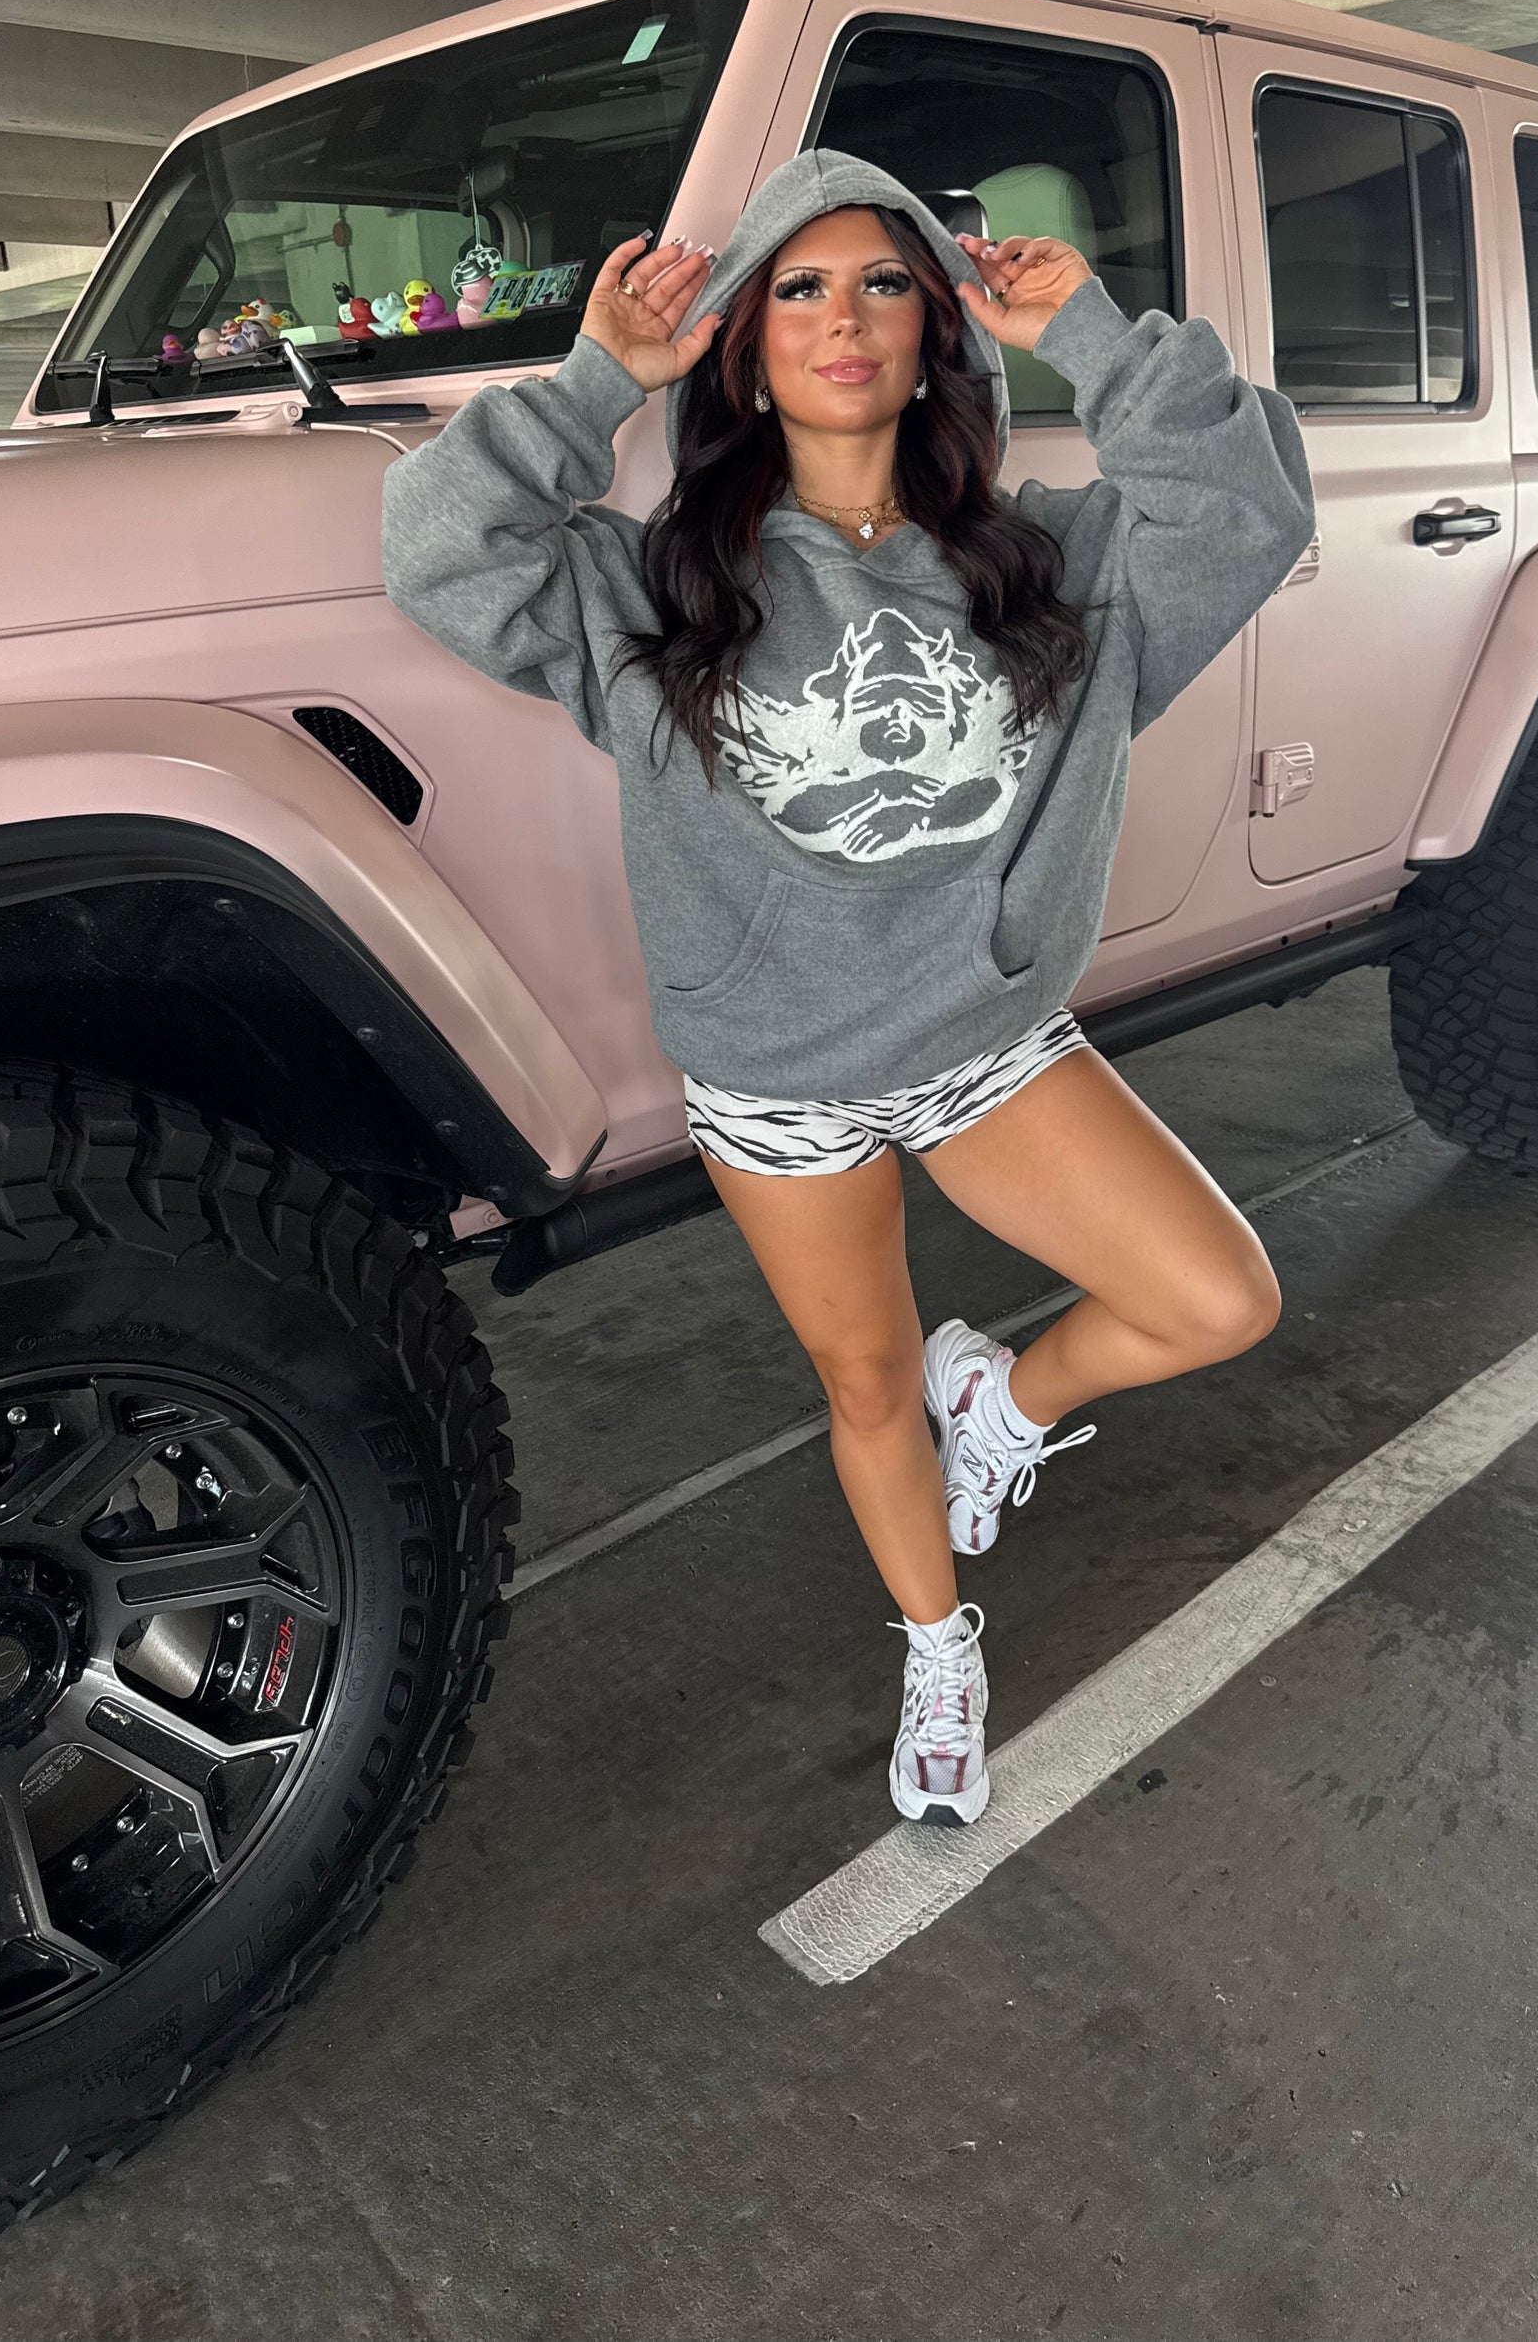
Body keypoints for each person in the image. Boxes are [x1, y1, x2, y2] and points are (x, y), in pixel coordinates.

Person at [380, 148, 1314, 1829]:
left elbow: (1249, 509)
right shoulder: (649, 585)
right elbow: (436, 542)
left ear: (932, 333)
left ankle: (1005, 1399)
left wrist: (1089, 334)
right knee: (868, 1388)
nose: (844, 317)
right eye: (798, 288)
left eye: (883, 281)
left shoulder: (1053, 565)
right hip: (775, 1074)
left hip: (983, 1041)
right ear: (742, 349)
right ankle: (937, 1647)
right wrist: (598, 377)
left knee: (1213, 1300)